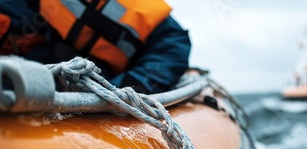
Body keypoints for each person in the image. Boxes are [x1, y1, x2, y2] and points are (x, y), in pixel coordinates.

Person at [0, 0, 191, 94]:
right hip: (49, 61)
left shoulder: (144, 11)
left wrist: (124, 89)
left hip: (106, 77)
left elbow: (172, 47)